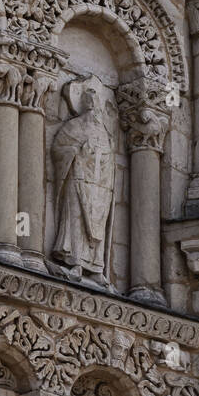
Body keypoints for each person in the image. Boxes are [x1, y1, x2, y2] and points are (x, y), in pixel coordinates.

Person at [50, 80, 115, 283]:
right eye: (90, 100)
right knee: (76, 220)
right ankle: (76, 262)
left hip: (100, 186)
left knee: (98, 222)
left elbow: (109, 160)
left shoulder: (105, 133)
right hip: (77, 179)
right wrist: (76, 151)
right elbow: (58, 149)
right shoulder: (74, 126)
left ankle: (96, 267)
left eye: (97, 102)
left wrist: (101, 157)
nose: (94, 106)